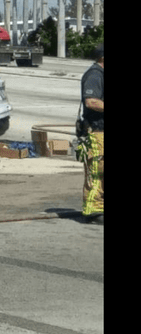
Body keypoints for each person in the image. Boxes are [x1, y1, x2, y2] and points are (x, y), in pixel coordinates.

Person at [79, 45, 104, 223]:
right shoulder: (95, 75)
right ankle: (93, 211)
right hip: (96, 131)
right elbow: (91, 102)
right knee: (97, 171)